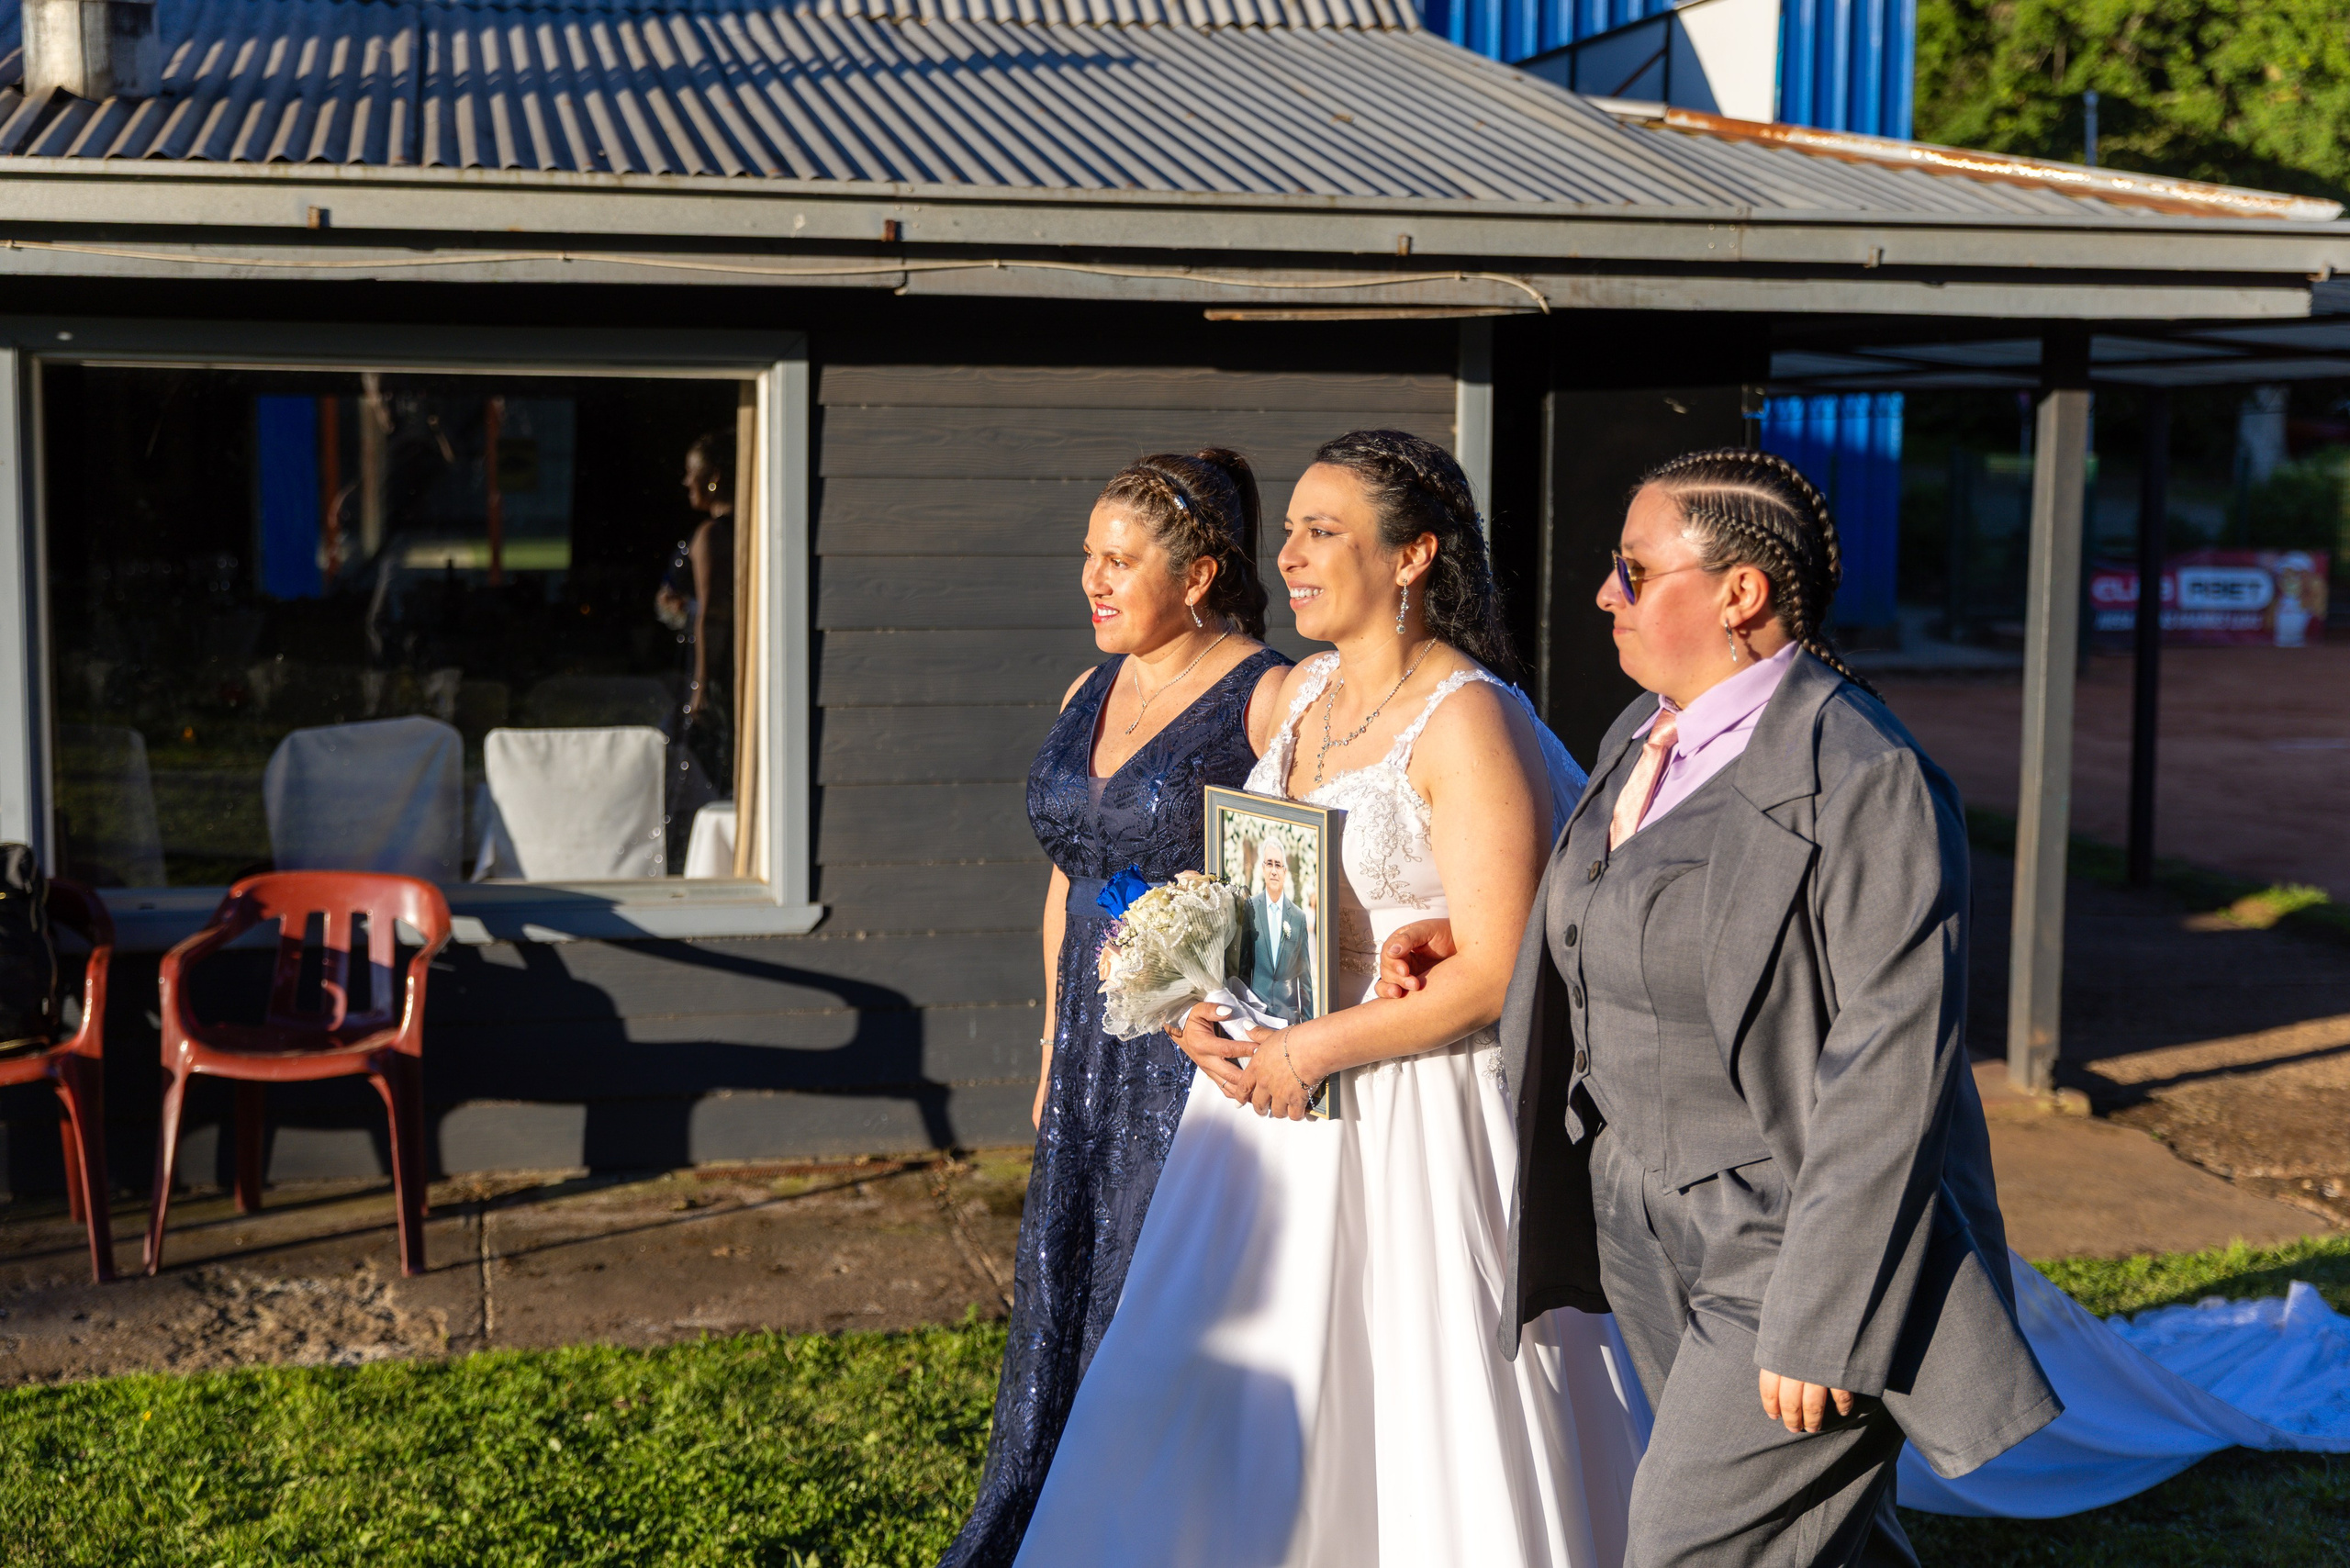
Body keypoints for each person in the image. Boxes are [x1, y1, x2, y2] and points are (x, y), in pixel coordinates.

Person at [1382, 449, 2059, 1566]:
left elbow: (1892, 1064)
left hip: (1789, 1240)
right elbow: (1655, 909)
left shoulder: (1867, 775)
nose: (1606, 593)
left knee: (1686, 1542)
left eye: (1633, 571)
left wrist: (1824, 1317)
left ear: (1739, 592)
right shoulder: (1640, 736)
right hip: (1641, 1217)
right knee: (1802, 1534)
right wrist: (1500, 943)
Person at [1009, 431, 1639, 1568]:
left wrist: (1312, 1051)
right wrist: (1201, 996)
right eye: (1290, 528)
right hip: (1259, 1117)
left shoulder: (1468, 717)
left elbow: (1496, 969)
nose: (1288, 555)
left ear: (1412, 557)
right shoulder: (1303, 711)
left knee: (1408, 1405)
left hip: (1412, 1113)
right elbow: (1268, 903)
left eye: (1322, 531)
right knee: (1209, 1394)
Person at [936, 448, 1291, 1568]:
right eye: (1087, 556)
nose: (1090, 579)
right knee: (1064, 1272)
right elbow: (1069, 878)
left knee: (1157, 1287)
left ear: (1198, 575)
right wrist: (1050, 1040)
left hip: (1191, 1050)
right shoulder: (1086, 688)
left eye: (1119, 559)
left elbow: (1300, 875)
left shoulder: (1269, 696)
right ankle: (1052, 1519)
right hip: (1090, 1035)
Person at [655, 428, 738, 866]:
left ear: (713, 478)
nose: (685, 484)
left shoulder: (713, 535)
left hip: (712, 672)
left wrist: (701, 688)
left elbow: (714, 615)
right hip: (724, 668)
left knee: (694, 773)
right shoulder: (743, 531)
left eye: (692, 475)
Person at [1244, 842, 1313, 1023]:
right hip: (1256, 1015)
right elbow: (1243, 970)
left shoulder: (1298, 917)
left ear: (1285, 871)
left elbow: (1305, 978)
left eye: (1278, 865)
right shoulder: (1249, 908)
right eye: (1269, 864)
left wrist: (1307, 1024)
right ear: (1262, 868)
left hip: (1288, 1019)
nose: (1274, 870)